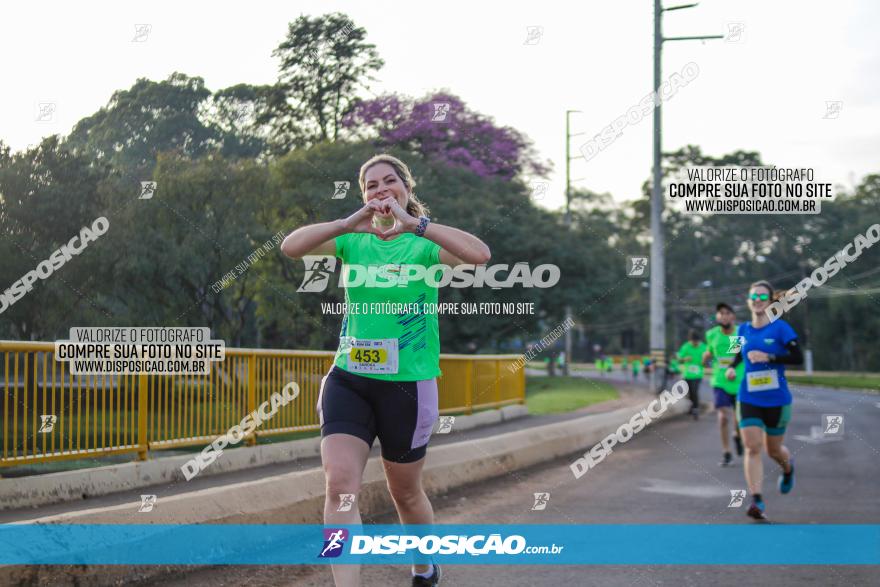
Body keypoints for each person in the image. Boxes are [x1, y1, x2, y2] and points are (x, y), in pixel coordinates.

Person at [281, 153, 491, 586]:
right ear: (364, 196)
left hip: (408, 386)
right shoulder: (353, 241)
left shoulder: (425, 243)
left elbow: (479, 255)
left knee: (406, 493)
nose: (381, 190)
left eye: (389, 181)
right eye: (371, 185)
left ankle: (424, 566)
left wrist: (416, 223)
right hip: (349, 379)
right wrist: (347, 222)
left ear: (406, 188)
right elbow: (290, 246)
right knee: (339, 487)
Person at [726, 280, 802, 521]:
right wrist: (730, 368)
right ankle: (756, 499)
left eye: (762, 296)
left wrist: (769, 355)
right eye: (753, 296)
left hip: (777, 399)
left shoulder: (781, 329)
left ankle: (788, 468)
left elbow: (797, 356)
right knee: (752, 446)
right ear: (749, 301)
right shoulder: (741, 330)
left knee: (774, 450)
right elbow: (736, 354)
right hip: (748, 396)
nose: (757, 300)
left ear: (770, 302)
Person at [704, 303, 745, 466]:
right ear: (717, 317)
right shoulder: (712, 334)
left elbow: (736, 356)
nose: (724, 316)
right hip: (719, 381)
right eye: (721, 313)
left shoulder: (738, 333)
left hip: (738, 380)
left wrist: (732, 369)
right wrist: (706, 356)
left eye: (728, 313)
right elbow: (709, 353)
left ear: (733, 316)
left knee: (738, 418)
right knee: (722, 417)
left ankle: (737, 435)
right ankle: (726, 452)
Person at [677, 330, 708, 419]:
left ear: (698, 340)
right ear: (690, 340)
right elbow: (679, 359)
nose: (695, 343)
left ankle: (695, 409)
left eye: (696, 341)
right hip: (687, 374)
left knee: (695, 391)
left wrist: (704, 361)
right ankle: (692, 406)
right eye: (693, 341)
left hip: (698, 374)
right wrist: (685, 359)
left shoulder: (703, 347)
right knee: (689, 393)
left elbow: (708, 358)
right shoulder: (686, 347)